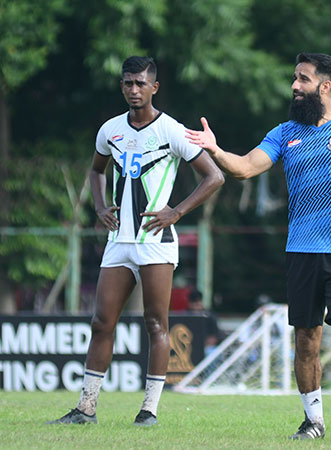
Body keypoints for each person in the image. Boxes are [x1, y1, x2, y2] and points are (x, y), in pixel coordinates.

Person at [186, 52, 331, 442]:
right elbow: (246, 167)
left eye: (303, 79)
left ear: (325, 85)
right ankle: (313, 421)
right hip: (301, 252)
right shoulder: (284, 133)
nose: (294, 87)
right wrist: (215, 150)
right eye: (295, 79)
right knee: (306, 339)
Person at [48, 56, 224, 427]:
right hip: (119, 241)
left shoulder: (172, 131)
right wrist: (98, 206)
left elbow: (214, 177)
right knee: (101, 322)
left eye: (140, 83)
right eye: (128, 83)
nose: (133, 90)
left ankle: (149, 411)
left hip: (156, 242)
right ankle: (86, 408)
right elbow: (96, 170)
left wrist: (175, 212)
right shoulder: (110, 130)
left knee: (156, 324)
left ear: (154, 87)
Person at [185, 289, 224, 355]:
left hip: (206, 347)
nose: (195, 305)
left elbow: (213, 337)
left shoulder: (209, 316)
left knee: (211, 352)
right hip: (188, 348)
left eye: (197, 302)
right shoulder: (185, 316)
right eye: (193, 302)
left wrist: (200, 346)